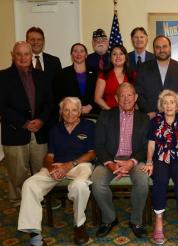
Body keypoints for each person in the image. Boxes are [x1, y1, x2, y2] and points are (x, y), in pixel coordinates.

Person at [17, 97, 96, 245]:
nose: (70, 113)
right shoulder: (54, 129)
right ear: (61, 112)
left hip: (80, 165)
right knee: (29, 184)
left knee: (79, 186)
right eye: (66, 110)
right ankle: (35, 235)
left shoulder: (89, 126)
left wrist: (69, 165)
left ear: (79, 112)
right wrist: (51, 167)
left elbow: (92, 153)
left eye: (74, 110)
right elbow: (49, 156)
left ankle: (79, 225)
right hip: (57, 166)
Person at [91, 83, 150, 238]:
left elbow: (146, 147)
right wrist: (111, 164)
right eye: (122, 95)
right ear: (116, 98)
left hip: (134, 160)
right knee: (97, 182)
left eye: (130, 95)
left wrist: (131, 162)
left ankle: (136, 221)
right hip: (109, 159)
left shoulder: (144, 119)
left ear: (136, 97)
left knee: (143, 180)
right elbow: (98, 144)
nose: (126, 98)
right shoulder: (105, 115)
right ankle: (109, 219)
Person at [0, 41, 53, 208]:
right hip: (15, 131)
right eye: (19, 54)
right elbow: (2, 106)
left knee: (41, 170)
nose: (23, 58)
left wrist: (41, 120)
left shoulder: (42, 76)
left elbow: (49, 103)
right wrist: (24, 123)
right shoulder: (3, 77)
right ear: (13, 55)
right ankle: (18, 201)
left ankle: (40, 198)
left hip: (39, 131)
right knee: (17, 172)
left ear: (32, 56)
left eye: (26, 54)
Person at [141, 90, 178, 246]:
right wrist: (149, 161)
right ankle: (159, 223)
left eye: (172, 102)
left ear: (177, 105)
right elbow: (151, 143)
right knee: (160, 180)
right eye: (165, 102)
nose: (169, 105)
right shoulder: (155, 121)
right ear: (161, 106)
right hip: (161, 157)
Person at [135, 35, 178, 119]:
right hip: (150, 118)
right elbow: (139, 93)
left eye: (164, 46)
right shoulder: (143, 68)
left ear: (170, 48)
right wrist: (149, 112)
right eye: (158, 47)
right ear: (154, 49)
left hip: (175, 118)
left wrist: (176, 112)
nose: (161, 50)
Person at [54, 43, 98, 117]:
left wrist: (90, 106)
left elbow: (101, 94)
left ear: (86, 55)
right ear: (71, 55)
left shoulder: (95, 72)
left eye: (82, 51)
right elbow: (58, 96)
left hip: (92, 113)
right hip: (70, 115)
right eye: (75, 51)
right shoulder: (62, 73)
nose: (78, 54)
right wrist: (73, 108)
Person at [94, 44, 134, 110]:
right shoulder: (103, 75)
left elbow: (135, 97)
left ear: (126, 57)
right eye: (114, 54)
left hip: (130, 114)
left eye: (121, 54)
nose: (118, 56)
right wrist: (110, 111)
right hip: (110, 113)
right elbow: (97, 99)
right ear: (111, 58)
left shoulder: (133, 74)